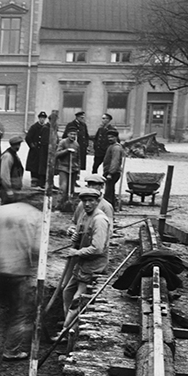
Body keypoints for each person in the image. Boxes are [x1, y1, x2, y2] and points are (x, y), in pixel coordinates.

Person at [0, 190, 43, 360]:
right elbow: (36, 249)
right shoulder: (36, 216)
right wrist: (32, 271)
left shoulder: (1, 211)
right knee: (19, 312)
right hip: (19, 271)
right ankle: (11, 350)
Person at [61, 188, 112, 337]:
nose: (87, 204)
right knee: (67, 292)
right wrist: (75, 236)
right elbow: (80, 231)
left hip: (93, 266)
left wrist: (76, 252)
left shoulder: (99, 220)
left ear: (97, 201)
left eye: (91, 201)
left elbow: (97, 249)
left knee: (77, 300)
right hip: (81, 264)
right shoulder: (84, 215)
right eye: (84, 201)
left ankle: (66, 334)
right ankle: (70, 326)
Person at [55, 128, 79, 210]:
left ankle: (68, 206)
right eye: (71, 134)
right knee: (63, 188)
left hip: (73, 169)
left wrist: (78, 170)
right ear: (68, 134)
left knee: (71, 189)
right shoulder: (63, 142)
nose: (73, 136)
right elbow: (57, 154)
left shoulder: (76, 144)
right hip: (64, 168)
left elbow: (78, 158)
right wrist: (66, 151)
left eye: (74, 134)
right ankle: (59, 205)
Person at [63, 110, 90, 184]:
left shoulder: (83, 125)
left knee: (78, 164)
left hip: (81, 148)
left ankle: (75, 180)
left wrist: (86, 146)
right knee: (71, 163)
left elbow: (86, 136)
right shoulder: (71, 124)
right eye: (81, 117)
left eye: (83, 117)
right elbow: (65, 136)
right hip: (72, 147)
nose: (83, 119)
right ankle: (70, 180)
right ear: (77, 117)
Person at [25, 111, 50, 188]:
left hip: (42, 150)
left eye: (43, 118)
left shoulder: (46, 128)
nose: (42, 120)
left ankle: (41, 181)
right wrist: (32, 145)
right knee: (34, 165)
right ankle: (34, 181)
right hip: (35, 150)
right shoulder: (34, 127)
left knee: (41, 165)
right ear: (38, 118)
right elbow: (28, 137)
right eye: (41, 118)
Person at [102, 130, 125, 209]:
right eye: (108, 137)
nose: (110, 139)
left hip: (112, 173)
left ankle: (107, 207)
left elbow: (115, 161)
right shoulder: (112, 146)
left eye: (112, 137)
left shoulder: (116, 148)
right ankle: (112, 206)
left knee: (108, 192)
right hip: (110, 172)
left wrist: (110, 173)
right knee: (111, 190)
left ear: (116, 137)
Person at [0, 135, 24, 204]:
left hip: (14, 189)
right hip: (7, 190)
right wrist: (8, 190)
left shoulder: (14, 155)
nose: (19, 147)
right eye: (18, 144)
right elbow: (4, 175)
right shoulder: (8, 156)